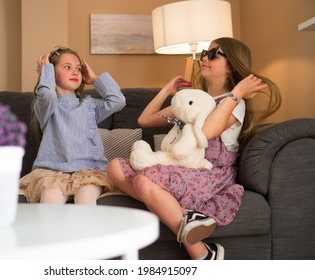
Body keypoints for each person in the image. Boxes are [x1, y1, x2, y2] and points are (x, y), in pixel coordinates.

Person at [106, 37, 281, 260]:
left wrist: (236, 92)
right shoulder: (195, 99)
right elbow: (145, 119)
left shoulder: (235, 103)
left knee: (143, 181)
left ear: (231, 67)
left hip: (209, 172)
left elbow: (207, 133)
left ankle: (200, 251)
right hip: (180, 165)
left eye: (213, 55)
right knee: (114, 168)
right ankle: (184, 216)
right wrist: (167, 90)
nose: (204, 59)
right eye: (204, 54)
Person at [20, 46, 126, 205]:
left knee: (85, 198)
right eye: (67, 67)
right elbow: (48, 95)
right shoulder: (46, 106)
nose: (75, 72)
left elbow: (118, 100)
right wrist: (46, 72)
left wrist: (95, 79)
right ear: (51, 73)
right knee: (50, 199)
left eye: (78, 68)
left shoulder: (90, 106)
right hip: (54, 172)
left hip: (89, 171)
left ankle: (87, 230)